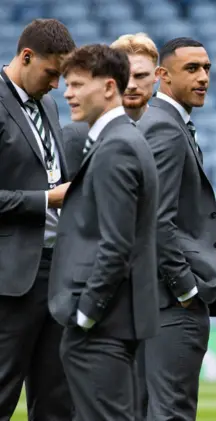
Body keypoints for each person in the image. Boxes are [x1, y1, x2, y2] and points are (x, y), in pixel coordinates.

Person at [49, 43, 159, 420]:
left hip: (103, 324)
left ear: (109, 87)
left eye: (78, 84)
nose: (67, 93)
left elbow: (116, 245)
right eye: (67, 84)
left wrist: (85, 315)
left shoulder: (117, 147)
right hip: (113, 321)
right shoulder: (121, 139)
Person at [136, 37, 216, 421]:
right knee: (172, 412)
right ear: (161, 76)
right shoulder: (166, 128)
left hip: (153, 300)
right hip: (171, 304)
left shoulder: (164, 123)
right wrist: (186, 288)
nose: (203, 77)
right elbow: (157, 219)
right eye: (191, 69)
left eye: (206, 68)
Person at [0, 18, 75, 421]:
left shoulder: (47, 103)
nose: (57, 86)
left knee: (56, 399)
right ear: (26, 57)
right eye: (52, 74)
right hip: (9, 278)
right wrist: (47, 198)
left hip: (56, 271)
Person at [63, 33, 159, 179]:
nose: (131, 85)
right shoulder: (77, 136)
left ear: (157, 75)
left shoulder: (169, 131)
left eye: (140, 75)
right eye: (126, 76)